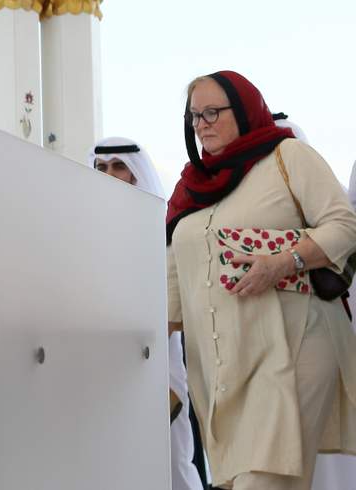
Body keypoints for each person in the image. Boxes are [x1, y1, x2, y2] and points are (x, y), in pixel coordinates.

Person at [166, 71, 356, 489]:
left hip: (295, 346)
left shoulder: (288, 157)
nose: (201, 125)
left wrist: (283, 262)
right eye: (194, 116)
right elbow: (171, 300)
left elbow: (345, 226)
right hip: (221, 372)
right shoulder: (191, 187)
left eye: (213, 112)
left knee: (263, 482)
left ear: (244, 109)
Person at [90, 138, 202, 490]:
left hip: (156, 364)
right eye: (101, 167)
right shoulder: (87, 229)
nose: (110, 174)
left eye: (119, 166)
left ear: (136, 172)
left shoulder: (162, 228)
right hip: (101, 365)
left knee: (169, 460)